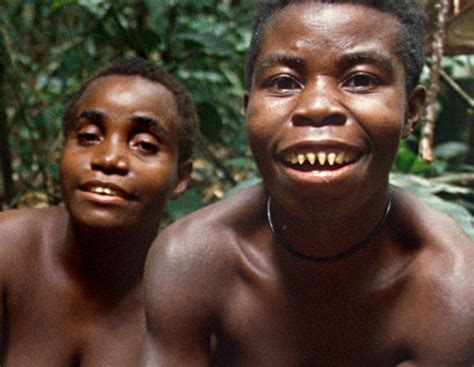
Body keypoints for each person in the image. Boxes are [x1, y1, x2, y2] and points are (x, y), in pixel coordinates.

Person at [142, 1, 474, 366]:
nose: (316, 106)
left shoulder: (450, 285)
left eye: (361, 80)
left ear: (411, 110)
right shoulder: (194, 258)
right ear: (248, 107)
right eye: (284, 82)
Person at [0, 57, 198, 365]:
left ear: (181, 179)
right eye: (88, 137)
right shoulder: (7, 252)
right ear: (62, 151)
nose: (108, 158)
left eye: (144, 145)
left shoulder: (187, 312)